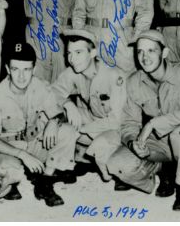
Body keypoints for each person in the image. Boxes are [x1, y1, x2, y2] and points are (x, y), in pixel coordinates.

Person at [107, 30, 180, 210]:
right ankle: (163, 169)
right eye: (140, 52)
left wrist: (154, 123)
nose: (144, 57)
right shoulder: (134, 81)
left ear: (165, 53)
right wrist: (132, 144)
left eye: (151, 51)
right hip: (160, 144)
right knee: (116, 164)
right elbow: (129, 123)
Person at [0, 42, 78, 207]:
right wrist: (22, 155)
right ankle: (10, 178)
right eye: (15, 69)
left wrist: (54, 122)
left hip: (33, 141)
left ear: (33, 69)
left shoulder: (40, 86)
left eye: (26, 70)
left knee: (67, 132)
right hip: (7, 146)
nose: (21, 76)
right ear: (7, 69)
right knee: (11, 173)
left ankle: (45, 181)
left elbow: (57, 113)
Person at [51, 29, 127, 182]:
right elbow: (51, 92)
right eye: (69, 53)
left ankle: (106, 160)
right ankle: (63, 164)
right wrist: (68, 104)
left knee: (114, 162)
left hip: (117, 129)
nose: (72, 59)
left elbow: (116, 121)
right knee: (51, 114)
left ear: (93, 53)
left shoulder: (114, 75)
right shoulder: (73, 72)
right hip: (93, 120)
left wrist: (82, 130)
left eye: (78, 52)